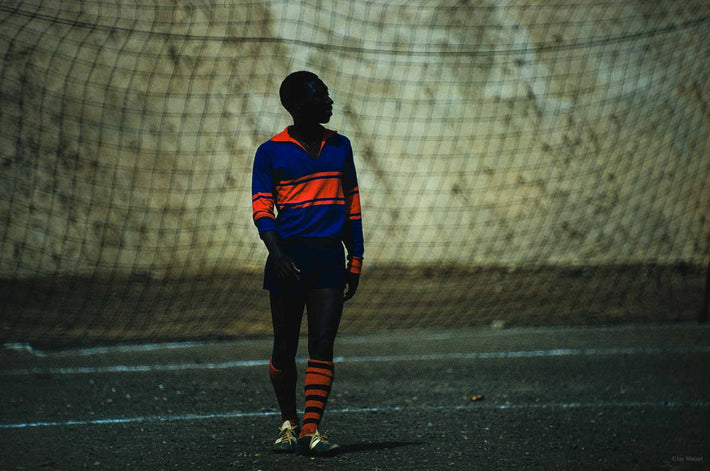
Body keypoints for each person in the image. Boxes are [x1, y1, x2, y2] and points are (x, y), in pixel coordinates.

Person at [251, 71, 364, 456]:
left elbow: (352, 204)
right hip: (287, 260)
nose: (329, 101)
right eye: (321, 95)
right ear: (298, 106)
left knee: (322, 344)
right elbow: (262, 207)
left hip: (329, 260)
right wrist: (276, 253)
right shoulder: (270, 152)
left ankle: (311, 430)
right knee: (284, 347)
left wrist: (357, 256)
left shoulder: (341, 146)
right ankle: (288, 423)